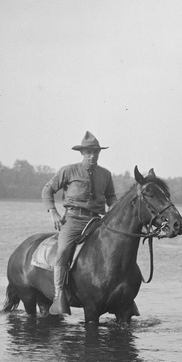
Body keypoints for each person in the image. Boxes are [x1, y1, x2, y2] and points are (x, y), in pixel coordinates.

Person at [42, 131, 117, 315]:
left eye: (96, 152)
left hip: (96, 221)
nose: (92, 155)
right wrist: (53, 212)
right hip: (74, 220)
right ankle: (59, 295)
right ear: (82, 153)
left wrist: (114, 211)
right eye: (88, 152)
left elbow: (111, 198)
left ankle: (122, 297)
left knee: (117, 248)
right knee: (63, 251)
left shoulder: (105, 175)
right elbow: (47, 190)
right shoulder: (68, 171)